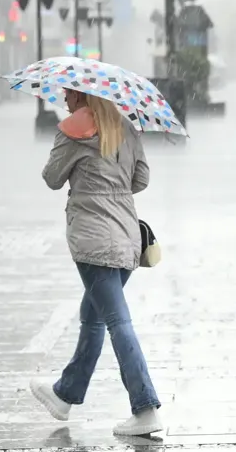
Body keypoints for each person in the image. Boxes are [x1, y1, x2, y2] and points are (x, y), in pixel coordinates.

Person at [30, 88, 163, 436]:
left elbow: (52, 178)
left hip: (93, 238)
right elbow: (142, 178)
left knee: (117, 321)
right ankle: (66, 394)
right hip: (127, 237)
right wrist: (113, 185)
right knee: (92, 316)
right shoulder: (125, 127)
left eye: (68, 95)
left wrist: (89, 182)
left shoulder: (74, 128)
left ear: (80, 96)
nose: (64, 101)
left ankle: (145, 406)